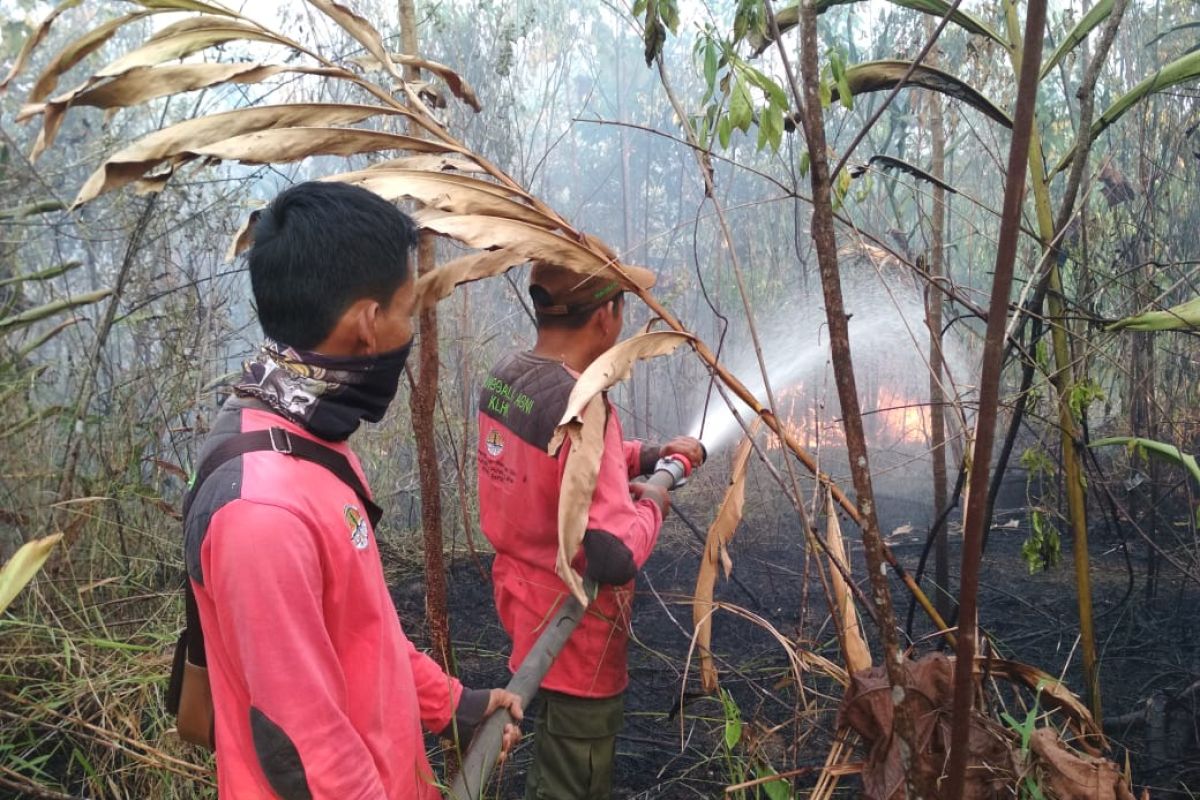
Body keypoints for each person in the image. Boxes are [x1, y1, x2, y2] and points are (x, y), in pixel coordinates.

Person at [184, 181, 521, 800]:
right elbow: (304, 753)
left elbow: (361, 630)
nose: (409, 327)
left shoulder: (307, 441)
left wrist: (451, 704)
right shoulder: (262, 512)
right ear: (368, 323)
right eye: (407, 309)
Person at [476, 260, 704, 799]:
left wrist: (646, 455)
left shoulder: (509, 377)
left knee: (548, 748)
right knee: (572, 779)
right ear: (606, 315)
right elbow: (610, 553)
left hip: (524, 612)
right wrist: (652, 502)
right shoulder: (582, 402)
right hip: (578, 636)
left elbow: (560, 464)